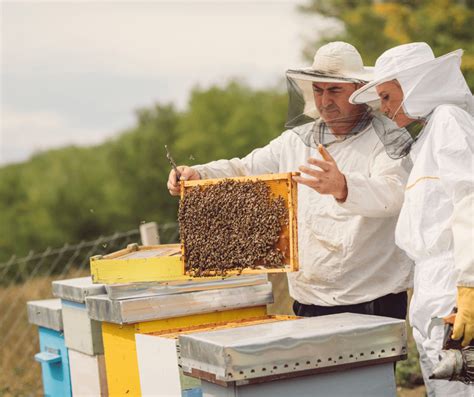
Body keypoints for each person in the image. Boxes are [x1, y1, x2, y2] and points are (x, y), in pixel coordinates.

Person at [168, 42, 412, 320]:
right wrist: (199, 174)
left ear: (358, 89)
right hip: (308, 299)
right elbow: (246, 168)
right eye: (318, 90)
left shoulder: (388, 138)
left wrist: (344, 186)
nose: (324, 101)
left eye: (334, 90)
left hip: (372, 300)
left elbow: (396, 195)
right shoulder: (296, 141)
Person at [350, 42, 474, 396]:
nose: (385, 110)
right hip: (433, 284)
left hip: (452, 282)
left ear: (416, 85)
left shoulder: (450, 121)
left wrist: (469, 284)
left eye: (388, 97)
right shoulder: (429, 137)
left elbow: (470, 199)